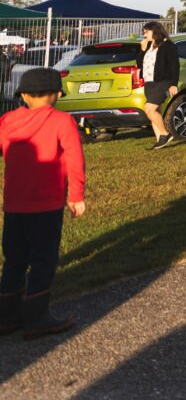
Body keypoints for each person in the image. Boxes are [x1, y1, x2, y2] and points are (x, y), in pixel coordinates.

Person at [0, 68, 85, 339]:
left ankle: (7, 316)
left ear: (23, 95)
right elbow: (75, 160)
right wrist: (76, 196)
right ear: (57, 94)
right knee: (43, 260)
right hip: (46, 206)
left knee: (13, 259)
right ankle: (36, 317)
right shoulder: (62, 121)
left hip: (14, 205)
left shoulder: (6, 121)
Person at [138, 22, 180, 150]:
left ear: (155, 31)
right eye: (144, 32)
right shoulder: (149, 46)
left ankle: (165, 134)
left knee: (149, 109)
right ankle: (160, 141)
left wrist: (173, 84)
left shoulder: (168, 45)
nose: (145, 35)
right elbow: (140, 64)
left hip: (164, 81)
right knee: (155, 112)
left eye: (147, 32)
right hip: (149, 82)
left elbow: (175, 65)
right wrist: (142, 50)